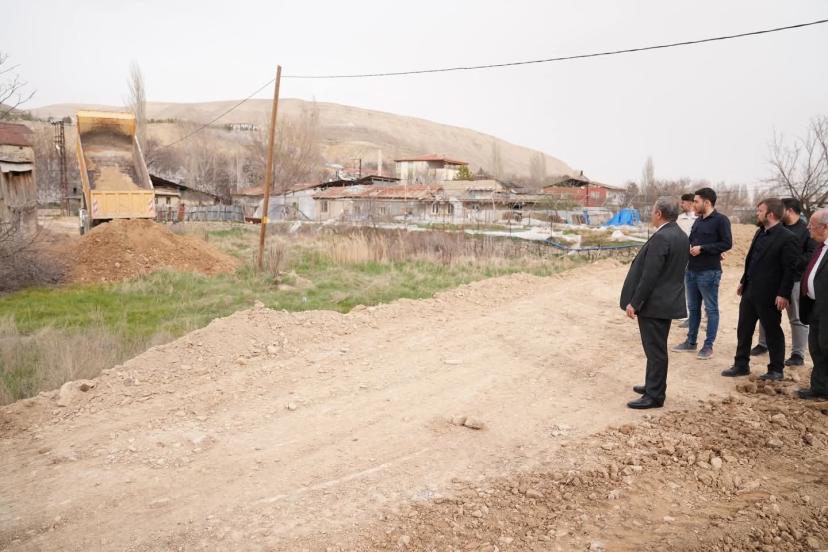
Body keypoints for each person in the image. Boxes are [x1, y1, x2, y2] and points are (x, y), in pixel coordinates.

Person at [620, 197, 689, 409]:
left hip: (655, 303)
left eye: (652, 211)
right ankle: (652, 385)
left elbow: (650, 275)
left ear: (659, 213)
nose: (651, 214)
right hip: (666, 301)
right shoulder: (680, 235)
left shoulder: (662, 237)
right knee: (655, 348)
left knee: (655, 350)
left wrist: (635, 302)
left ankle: (655, 395)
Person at [722, 198, 798, 380]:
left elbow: (790, 269)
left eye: (760, 211)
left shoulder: (788, 238)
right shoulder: (759, 232)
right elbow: (752, 260)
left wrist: (783, 294)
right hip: (750, 291)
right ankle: (741, 365)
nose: (757, 213)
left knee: (772, 331)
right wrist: (743, 281)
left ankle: (776, 369)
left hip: (770, 295)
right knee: (744, 329)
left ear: (770, 214)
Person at [750, 197, 816, 365]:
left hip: (795, 280)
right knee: (766, 312)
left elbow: (811, 254)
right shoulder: (778, 228)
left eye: (782, 209)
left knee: (796, 318)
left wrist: (791, 262)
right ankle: (763, 344)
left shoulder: (806, 230)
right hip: (772, 281)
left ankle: (798, 354)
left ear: (789, 211)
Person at [672, 187, 732, 360]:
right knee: (693, 308)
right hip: (691, 270)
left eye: (697, 201)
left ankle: (708, 346)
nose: (694, 204)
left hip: (709, 272)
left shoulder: (721, 220)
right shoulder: (698, 221)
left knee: (711, 309)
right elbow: (691, 240)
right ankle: (691, 342)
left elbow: (727, 243)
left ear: (707, 202)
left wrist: (703, 248)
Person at [797, 208, 828, 400]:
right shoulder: (820, 247)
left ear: (825, 227)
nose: (808, 228)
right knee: (817, 349)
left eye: (812, 225)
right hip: (815, 306)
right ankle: (819, 388)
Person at [677, 193, 697, 329]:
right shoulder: (679, 219)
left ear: (690, 203)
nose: (681, 205)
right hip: (683, 256)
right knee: (684, 284)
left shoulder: (699, 218)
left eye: (683, 202)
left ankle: (700, 315)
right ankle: (687, 314)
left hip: (697, 256)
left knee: (697, 286)